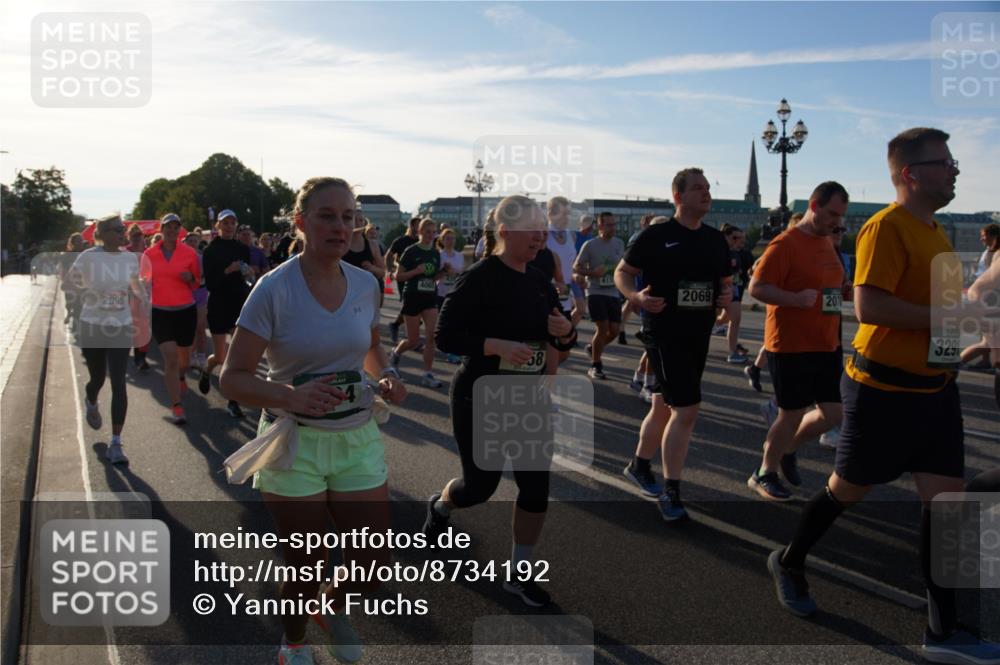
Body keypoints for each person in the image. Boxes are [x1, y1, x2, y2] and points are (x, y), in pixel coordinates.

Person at [766, 127, 1000, 665]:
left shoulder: (936, 231)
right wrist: (954, 315)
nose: (956, 169)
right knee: (846, 492)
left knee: (945, 505)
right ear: (911, 174)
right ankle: (789, 560)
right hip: (882, 394)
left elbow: (941, 316)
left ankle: (944, 631)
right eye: (945, 162)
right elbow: (869, 307)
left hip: (935, 392)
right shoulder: (884, 228)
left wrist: (965, 333)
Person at [219, 176, 406, 665]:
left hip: (357, 437)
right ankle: (294, 644)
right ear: (301, 223)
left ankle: (329, 607)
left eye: (349, 217)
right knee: (304, 564)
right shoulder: (273, 289)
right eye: (327, 216)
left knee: (373, 564)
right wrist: (290, 395)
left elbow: (368, 345)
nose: (340, 227)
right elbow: (232, 378)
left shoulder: (366, 282)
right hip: (293, 444)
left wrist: (385, 373)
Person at [423, 195, 575, 607]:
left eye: (544, 228)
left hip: (528, 400)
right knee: (479, 487)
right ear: (504, 231)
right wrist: (495, 345)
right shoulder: (479, 277)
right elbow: (445, 337)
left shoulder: (541, 277)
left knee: (535, 486)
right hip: (480, 395)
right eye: (532, 228)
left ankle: (519, 574)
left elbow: (563, 338)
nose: (541, 236)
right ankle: (440, 506)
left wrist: (564, 331)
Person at [614, 168, 732, 521]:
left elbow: (725, 281)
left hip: (699, 331)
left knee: (664, 404)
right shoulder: (656, 235)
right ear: (678, 197)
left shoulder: (715, 240)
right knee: (687, 410)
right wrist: (634, 295)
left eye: (709, 188)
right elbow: (623, 271)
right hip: (664, 330)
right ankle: (671, 491)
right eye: (698, 188)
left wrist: (725, 295)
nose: (706, 193)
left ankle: (638, 464)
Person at [746, 182, 850, 501]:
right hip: (790, 344)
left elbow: (834, 287)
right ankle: (764, 471)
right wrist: (792, 298)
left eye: (841, 216)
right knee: (790, 414)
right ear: (814, 206)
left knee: (835, 414)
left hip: (827, 343)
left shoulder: (827, 244)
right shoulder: (785, 244)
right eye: (832, 213)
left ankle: (788, 448)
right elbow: (757, 288)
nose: (837, 222)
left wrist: (847, 292)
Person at [69, 215, 145, 464]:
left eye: (123, 228)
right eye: (118, 229)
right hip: (93, 326)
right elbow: (71, 280)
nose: (123, 232)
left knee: (119, 383)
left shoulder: (128, 258)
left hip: (120, 326)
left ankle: (116, 443)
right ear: (103, 233)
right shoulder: (89, 256)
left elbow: (136, 286)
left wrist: (142, 297)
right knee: (98, 378)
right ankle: (91, 399)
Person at [143, 213, 200, 425]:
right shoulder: (149, 254)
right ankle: (176, 405)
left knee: (184, 359)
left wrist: (191, 278)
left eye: (176, 227)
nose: (172, 231)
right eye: (168, 227)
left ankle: (182, 377)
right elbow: (143, 281)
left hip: (185, 310)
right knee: (171, 358)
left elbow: (197, 282)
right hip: (160, 311)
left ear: (179, 231)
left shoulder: (189, 253)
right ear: (162, 229)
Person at [199, 209, 252, 418]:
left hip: (238, 303)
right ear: (218, 226)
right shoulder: (211, 250)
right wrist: (228, 271)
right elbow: (211, 284)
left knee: (236, 357)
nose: (229, 226)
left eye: (232, 222)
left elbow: (247, 277)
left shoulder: (242, 248)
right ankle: (207, 367)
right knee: (221, 356)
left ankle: (233, 400)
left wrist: (248, 273)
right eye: (225, 223)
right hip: (219, 305)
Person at [389, 218, 444, 388]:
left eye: (433, 232)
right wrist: (416, 271)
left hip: (429, 297)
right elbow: (399, 276)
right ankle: (396, 353)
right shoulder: (411, 251)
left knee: (431, 337)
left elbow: (433, 278)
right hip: (412, 296)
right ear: (419, 232)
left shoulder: (435, 253)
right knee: (413, 340)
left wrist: (443, 272)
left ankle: (427, 373)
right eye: (427, 232)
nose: (431, 235)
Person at [574, 212, 625, 379]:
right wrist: (592, 272)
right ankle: (596, 365)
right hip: (595, 291)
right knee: (602, 328)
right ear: (600, 226)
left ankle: (592, 348)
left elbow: (621, 267)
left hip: (613, 291)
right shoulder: (590, 245)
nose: (613, 228)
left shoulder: (619, 243)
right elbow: (577, 267)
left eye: (614, 224)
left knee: (615, 331)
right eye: (609, 225)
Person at [960, 223, 1000, 368]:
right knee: (988, 342)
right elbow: (983, 281)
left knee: (987, 342)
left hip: (988, 299)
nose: (981, 239)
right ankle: (955, 364)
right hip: (989, 299)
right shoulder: (991, 253)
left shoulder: (992, 252)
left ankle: (983, 362)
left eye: (984, 236)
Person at [619, 214, 655, 344]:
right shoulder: (637, 237)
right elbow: (629, 259)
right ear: (644, 223)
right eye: (651, 223)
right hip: (636, 274)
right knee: (632, 302)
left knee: (632, 304)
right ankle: (622, 329)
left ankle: (631, 329)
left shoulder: (649, 236)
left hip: (641, 274)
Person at [546, 197, 583, 327]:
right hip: (547, 297)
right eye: (563, 214)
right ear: (551, 214)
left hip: (566, 296)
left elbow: (571, 264)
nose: (567, 218)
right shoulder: (542, 236)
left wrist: (576, 275)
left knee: (564, 342)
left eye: (568, 214)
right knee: (547, 343)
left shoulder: (571, 235)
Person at [384, 217, 421, 344]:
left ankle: (396, 325)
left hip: (419, 277)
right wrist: (389, 270)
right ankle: (411, 339)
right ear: (411, 226)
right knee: (410, 304)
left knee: (417, 307)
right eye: (417, 226)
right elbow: (389, 255)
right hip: (403, 276)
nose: (419, 229)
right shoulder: (401, 241)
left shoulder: (422, 242)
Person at [436, 228, 465, 365]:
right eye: (447, 238)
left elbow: (462, 274)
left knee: (456, 322)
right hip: (441, 292)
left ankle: (453, 352)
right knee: (444, 323)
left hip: (455, 292)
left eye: (452, 238)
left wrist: (454, 272)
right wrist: (444, 271)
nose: (450, 241)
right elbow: (435, 276)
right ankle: (447, 349)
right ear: (442, 240)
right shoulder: (439, 255)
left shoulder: (459, 256)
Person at [126, 223, 152, 372]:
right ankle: (127, 355)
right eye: (133, 236)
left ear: (143, 237)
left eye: (139, 236)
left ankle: (140, 358)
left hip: (145, 295)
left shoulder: (148, 253)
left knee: (143, 328)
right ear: (129, 238)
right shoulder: (123, 254)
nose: (136, 240)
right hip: (128, 296)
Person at [183, 231, 210, 370]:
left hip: (200, 292)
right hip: (186, 294)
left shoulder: (202, 258)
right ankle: (191, 354)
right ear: (186, 242)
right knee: (189, 328)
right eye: (190, 240)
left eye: (195, 240)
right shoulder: (181, 259)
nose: (193, 243)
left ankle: (201, 355)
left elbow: (205, 276)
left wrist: (195, 278)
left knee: (200, 327)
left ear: (198, 242)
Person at [343, 215, 387, 285]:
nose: (357, 223)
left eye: (360, 220)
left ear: (365, 224)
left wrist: (372, 268)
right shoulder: (340, 242)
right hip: (343, 288)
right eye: (353, 219)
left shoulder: (372, 244)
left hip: (365, 289)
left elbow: (383, 272)